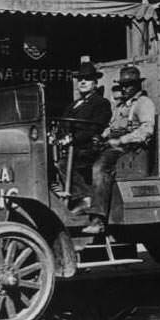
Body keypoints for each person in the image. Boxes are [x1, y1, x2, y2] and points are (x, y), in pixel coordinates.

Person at [83, 65, 156, 235]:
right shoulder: (121, 106)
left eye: (129, 84)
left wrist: (120, 140)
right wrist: (101, 136)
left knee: (99, 167)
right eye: (122, 84)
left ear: (138, 85)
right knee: (83, 157)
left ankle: (98, 219)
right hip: (114, 147)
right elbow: (112, 127)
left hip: (131, 151)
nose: (125, 88)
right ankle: (85, 202)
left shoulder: (144, 103)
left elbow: (146, 131)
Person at [56, 60, 112, 212]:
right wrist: (61, 137)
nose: (82, 82)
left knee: (63, 163)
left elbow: (95, 127)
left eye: (87, 79)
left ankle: (85, 198)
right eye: (80, 79)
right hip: (71, 147)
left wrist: (74, 139)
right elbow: (63, 124)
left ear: (94, 82)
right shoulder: (73, 105)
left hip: (89, 147)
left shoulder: (101, 103)